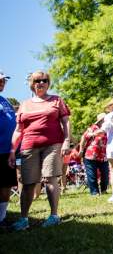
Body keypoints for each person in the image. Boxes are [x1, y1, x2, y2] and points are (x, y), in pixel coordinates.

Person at [9, 71, 71, 230]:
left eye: (44, 80)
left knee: (50, 178)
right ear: (32, 84)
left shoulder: (57, 100)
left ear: (48, 83)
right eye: (37, 80)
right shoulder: (24, 104)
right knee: (28, 183)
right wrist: (12, 150)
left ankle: (54, 215)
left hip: (53, 144)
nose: (41, 83)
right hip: (28, 146)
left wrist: (66, 141)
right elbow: (18, 130)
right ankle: (23, 219)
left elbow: (65, 122)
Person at [0, 70, 17, 225]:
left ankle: (2, 217)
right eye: (0, 80)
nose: (2, 83)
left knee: (6, 184)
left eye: (4, 80)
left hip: (7, 150)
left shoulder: (5, 100)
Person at [79, 114, 109, 196]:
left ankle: (103, 190)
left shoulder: (107, 128)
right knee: (92, 174)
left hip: (103, 155)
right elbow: (84, 138)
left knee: (105, 174)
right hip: (91, 155)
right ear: (101, 121)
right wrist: (81, 150)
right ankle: (94, 192)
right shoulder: (92, 128)